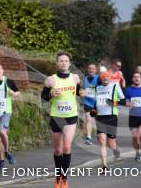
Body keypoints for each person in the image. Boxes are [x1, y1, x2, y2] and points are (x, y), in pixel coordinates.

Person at [41, 51, 84, 188]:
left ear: (69, 63)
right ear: (57, 63)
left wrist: (82, 93)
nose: (64, 63)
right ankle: (58, 177)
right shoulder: (50, 80)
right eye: (61, 61)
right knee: (58, 150)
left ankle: (64, 179)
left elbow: (78, 91)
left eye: (66, 61)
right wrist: (51, 93)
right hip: (56, 117)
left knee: (66, 147)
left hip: (71, 116)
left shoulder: (75, 78)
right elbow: (43, 98)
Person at [90, 71, 124, 171]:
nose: (105, 78)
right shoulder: (97, 88)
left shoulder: (115, 86)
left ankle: (115, 149)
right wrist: (93, 110)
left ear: (110, 78)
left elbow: (123, 101)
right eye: (103, 77)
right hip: (100, 118)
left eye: (107, 77)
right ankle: (104, 166)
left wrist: (113, 102)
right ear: (101, 78)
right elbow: (95, 103)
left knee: (111, 144)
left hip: (112, 117)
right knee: (102, 141)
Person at [82, 64, 100, 145]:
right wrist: (81, 92)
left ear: (95, 70)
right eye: (89, 68)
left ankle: (100, 134)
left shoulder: (98, 78)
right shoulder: (84, 79)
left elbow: (103, 89)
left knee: (98, 120)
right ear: (87, 69)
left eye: (93, 68)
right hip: (88, 103)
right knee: (88, 119)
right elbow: (81, 90)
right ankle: (88, 137)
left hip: (97, 103)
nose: (91, 70)